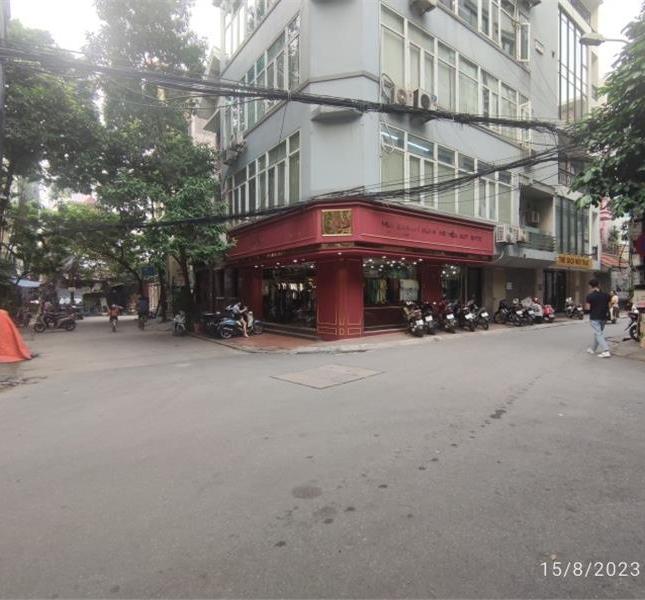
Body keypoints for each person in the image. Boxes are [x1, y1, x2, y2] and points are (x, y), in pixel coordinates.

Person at [585, 278, 611, 358]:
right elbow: (609, 306)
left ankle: (606, 351)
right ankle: (593, 349)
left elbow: (588, 308)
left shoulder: (589, 296)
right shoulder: (606, 295)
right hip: (604, 317)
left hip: (594, 317)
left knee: (598, 333)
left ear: (590, 286)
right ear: (598, 285)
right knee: (598, 333)